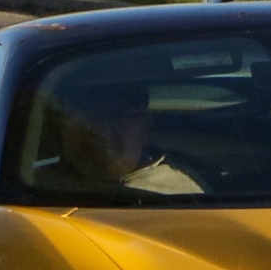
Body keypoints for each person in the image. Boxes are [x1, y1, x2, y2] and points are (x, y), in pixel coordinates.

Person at [50, 78, 202, 195]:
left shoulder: (174, 191)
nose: (97, 129)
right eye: (87, 116)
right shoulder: (39, 182)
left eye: (116, 116)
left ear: (146, 127)